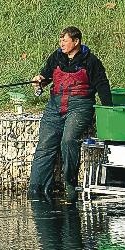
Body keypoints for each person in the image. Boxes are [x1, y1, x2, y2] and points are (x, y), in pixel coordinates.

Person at [28, 26, 112, 200]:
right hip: (54, 107)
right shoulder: (56, 57)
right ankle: (37, 188)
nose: (61, 43)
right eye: (60, 40)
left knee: (68, 140)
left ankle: (70, 184)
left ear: (76, 41)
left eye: (65, 40)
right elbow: (45, 77)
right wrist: (40, 81)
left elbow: (102, 85)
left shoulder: (91, 61)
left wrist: (109, 109)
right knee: (44, 144)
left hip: (80, 107)